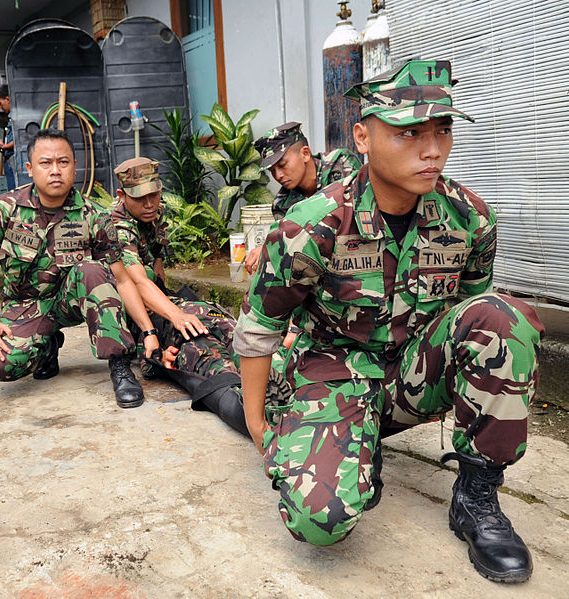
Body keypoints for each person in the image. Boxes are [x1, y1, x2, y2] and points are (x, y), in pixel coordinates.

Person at [233, 60, 545, 584]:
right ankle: (340, 439)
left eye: (442, 130)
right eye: (407, 133)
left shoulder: (471, 218)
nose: (432, 150)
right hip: (333, 376)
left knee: (503, 317)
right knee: (320, 521)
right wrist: (258, 425)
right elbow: (258, 329)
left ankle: (476, 499)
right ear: (363, 136)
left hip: (410, 379)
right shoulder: (310, 227)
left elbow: (470, 318)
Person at [0, 129, 159, 409]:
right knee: (1, 365)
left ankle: (119, 365)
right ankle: (47, 346)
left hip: (70, 301)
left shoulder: (95, 216)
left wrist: (148, 331)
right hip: (26, 304)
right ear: (30, 169)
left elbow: (122, 280)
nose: (55, 171)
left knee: (92, 269)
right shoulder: (5, 209)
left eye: (63, 162)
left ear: (74, 166)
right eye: (46, 163)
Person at [111, 157, 291, 434]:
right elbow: (136, 281)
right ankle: (244, 403)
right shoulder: (116, 225)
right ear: (122, 196)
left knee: (225, 324)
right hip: (131, 315)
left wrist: (180, 306)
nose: (149, 204)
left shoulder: (156, 215)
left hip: (166, 300)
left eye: (154, 195)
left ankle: (280, 375)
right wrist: (173, 316)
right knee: (200, 347)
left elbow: (157, 267)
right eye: (140, 198)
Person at [244, 122, 361, 275]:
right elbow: (290, 249)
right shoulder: (282, 203)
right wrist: (270, 248)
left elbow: (358, 217)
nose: (278, 176)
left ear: (305, 153)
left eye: (283, 165)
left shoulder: (340, 165)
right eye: (272, 171)